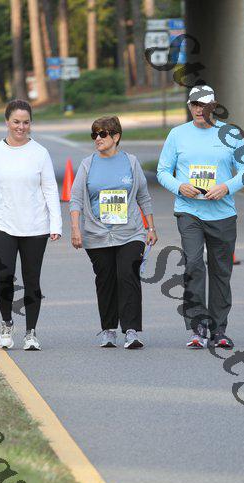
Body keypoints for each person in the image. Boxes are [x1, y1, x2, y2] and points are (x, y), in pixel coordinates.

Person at [157, 85, 244, 349]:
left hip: (223, 213)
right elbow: (162, 171)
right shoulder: (177, 135)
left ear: (214, 106)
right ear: (190, 106)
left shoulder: (231, 134)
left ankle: (219, 330)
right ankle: (198, 328)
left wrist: (226, 187)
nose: (199, 110)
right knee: (194, 264)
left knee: (221, 271)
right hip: (189, 211)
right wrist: (179, 186)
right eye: (195, 105)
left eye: (205, 105)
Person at [0, 99, 62, 351]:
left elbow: (50, 189)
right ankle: (6, 325)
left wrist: (56, 223)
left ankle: (31, 333)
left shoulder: (40, 153)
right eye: (16, 122)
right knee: (4, 276)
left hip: (35, 226)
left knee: (32, 280)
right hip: (1, 224)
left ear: (31, 123)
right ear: (7, 122)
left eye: (26, 122)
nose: (21, 127)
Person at [69, 115, 157, 349]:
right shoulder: (87, 164)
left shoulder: (131, 162)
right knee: (105, 280)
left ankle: (131, 331)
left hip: (131, 232)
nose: (97, 138)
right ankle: (108, 330)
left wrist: (150, 227)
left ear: (116, 137)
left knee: (127, 274)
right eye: (94, 134)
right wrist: (76, 229)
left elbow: (143, 196)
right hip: (97, 234)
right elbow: (75, 199)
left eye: (102, 134)